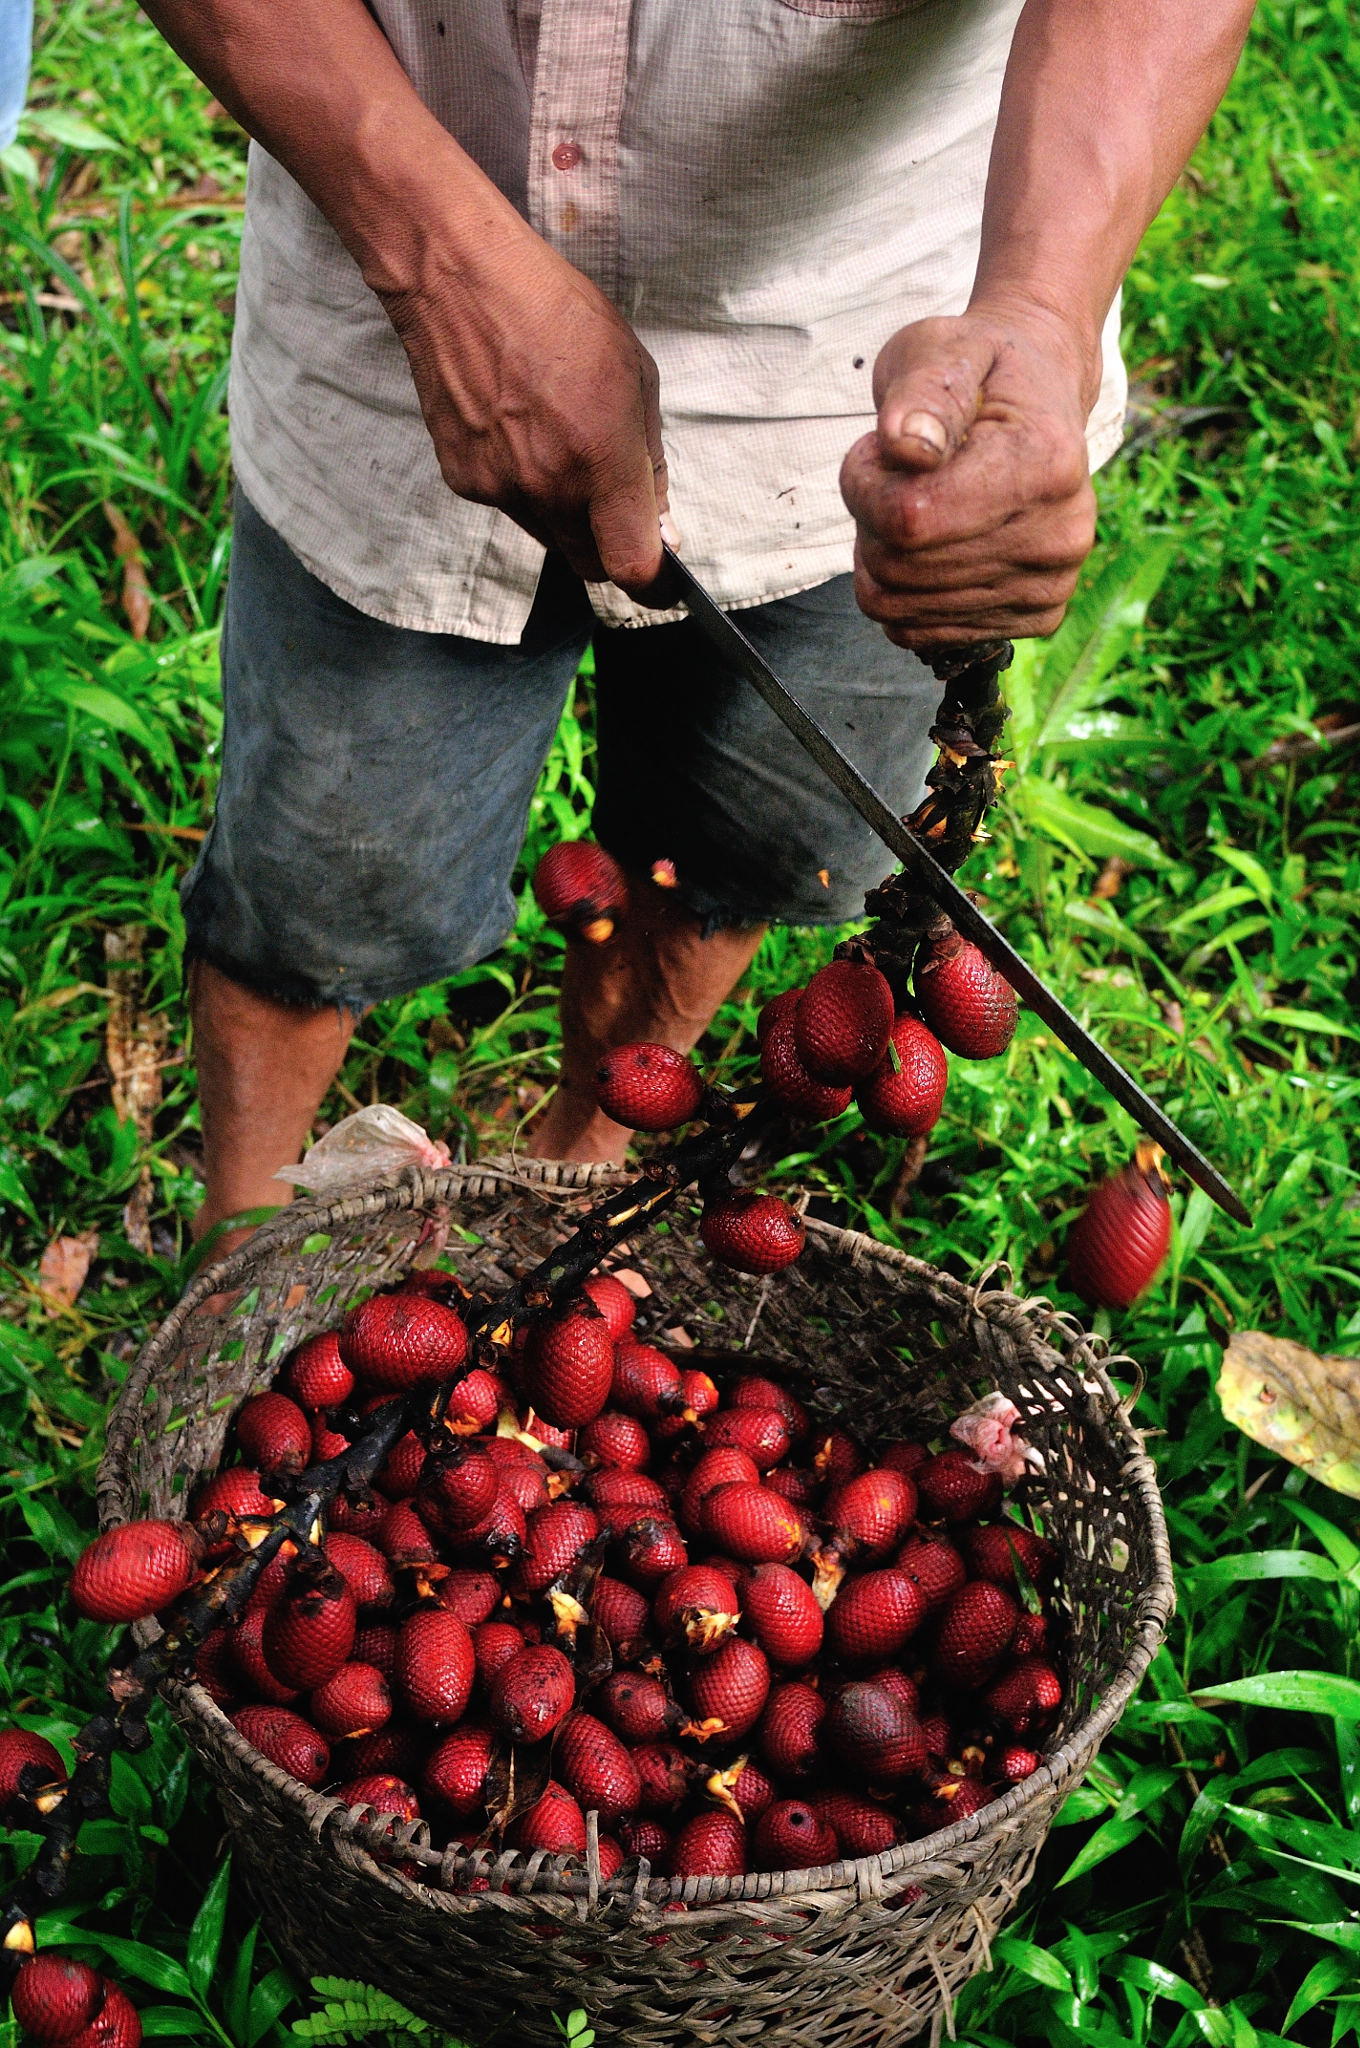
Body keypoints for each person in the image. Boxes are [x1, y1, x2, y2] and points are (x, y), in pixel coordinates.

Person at [141, 0, 1253, 1252]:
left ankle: (581, 1170)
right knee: (313, 888)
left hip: (852, 362)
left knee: (736, 855)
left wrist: (1041, 318)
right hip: (382, 297)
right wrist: (437, 260)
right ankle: (241, 1245)